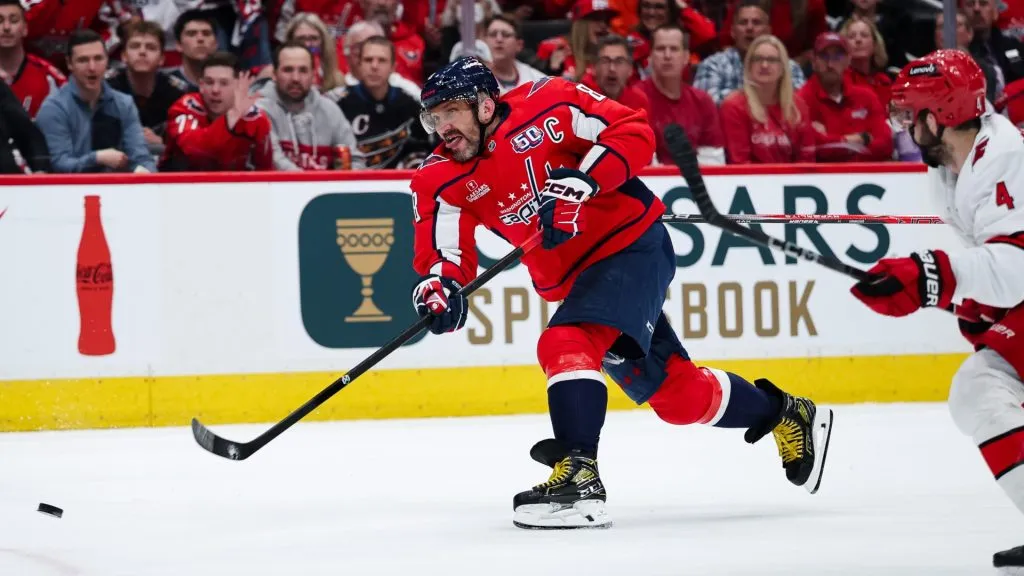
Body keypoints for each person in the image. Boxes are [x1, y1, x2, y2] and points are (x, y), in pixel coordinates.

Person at [409, 56, 834, 529]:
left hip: (631, 246)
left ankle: (579, 478)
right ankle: (786, 412)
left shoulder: (549, 102)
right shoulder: (438, 178)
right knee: (680, 398)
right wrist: (440, 287)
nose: (441, 126)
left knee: (565, 342)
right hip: (579, 283)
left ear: (484, 106)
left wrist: (585, 180)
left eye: (450, 112)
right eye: (434, 116)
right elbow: (443, 252)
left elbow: (632, 131)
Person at [849, 49, 1024, 571]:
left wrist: (933, 275)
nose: (904, 126)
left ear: (937, 115)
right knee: (979, 390)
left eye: (909, 114)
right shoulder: (953, 166)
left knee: (981, 390)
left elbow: (1015, 266)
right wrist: (936, 288)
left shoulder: (1002, 157)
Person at [161, 52, 272, 172]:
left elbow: (265, 170)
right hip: (180, 185)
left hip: (235, 187)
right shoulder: (184, 107)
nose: (215, 90)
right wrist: (233, 115)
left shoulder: (256, 119)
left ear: (239, 86)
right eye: (209, 82)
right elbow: (194, 150)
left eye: (224, 83)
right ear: (201, 85)